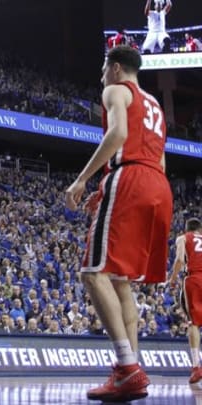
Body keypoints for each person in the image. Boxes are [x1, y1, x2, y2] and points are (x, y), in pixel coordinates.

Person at [64, 45, 173, 402]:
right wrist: (114, 185)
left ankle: (126, 367)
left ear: (114, 68)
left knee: (92, 272)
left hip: (132, 179)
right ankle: (133, 367)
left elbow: (119, 136)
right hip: (159, 185)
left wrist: (84, 179)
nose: (100, 76)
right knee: (121, 280)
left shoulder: (115, 90)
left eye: (102, 69)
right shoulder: (155, 105)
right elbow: (158, 158)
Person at [169, 218, 202, 383]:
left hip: (195, 279)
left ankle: (196, 366)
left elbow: (180, 260)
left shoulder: (183, 238)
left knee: (194, 322)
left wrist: (172, 280)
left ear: (187, 229)